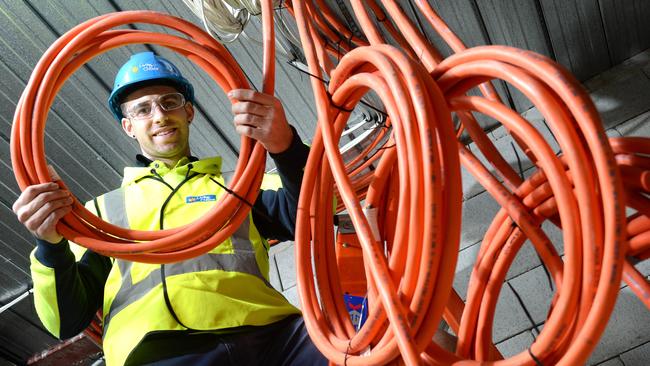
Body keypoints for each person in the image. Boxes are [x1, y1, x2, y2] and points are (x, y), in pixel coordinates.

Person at [13, 52, 327, 366]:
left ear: (188, 112)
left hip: (275, 339)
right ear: (128, 127)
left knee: (356, 350)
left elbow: (316, 216)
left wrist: (286, 147)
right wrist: (49, 245)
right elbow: (67, 319)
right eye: (142, 109)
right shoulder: (99, 213)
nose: (160, 116)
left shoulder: (239, 185)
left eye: (169, 102)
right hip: (159, 353)